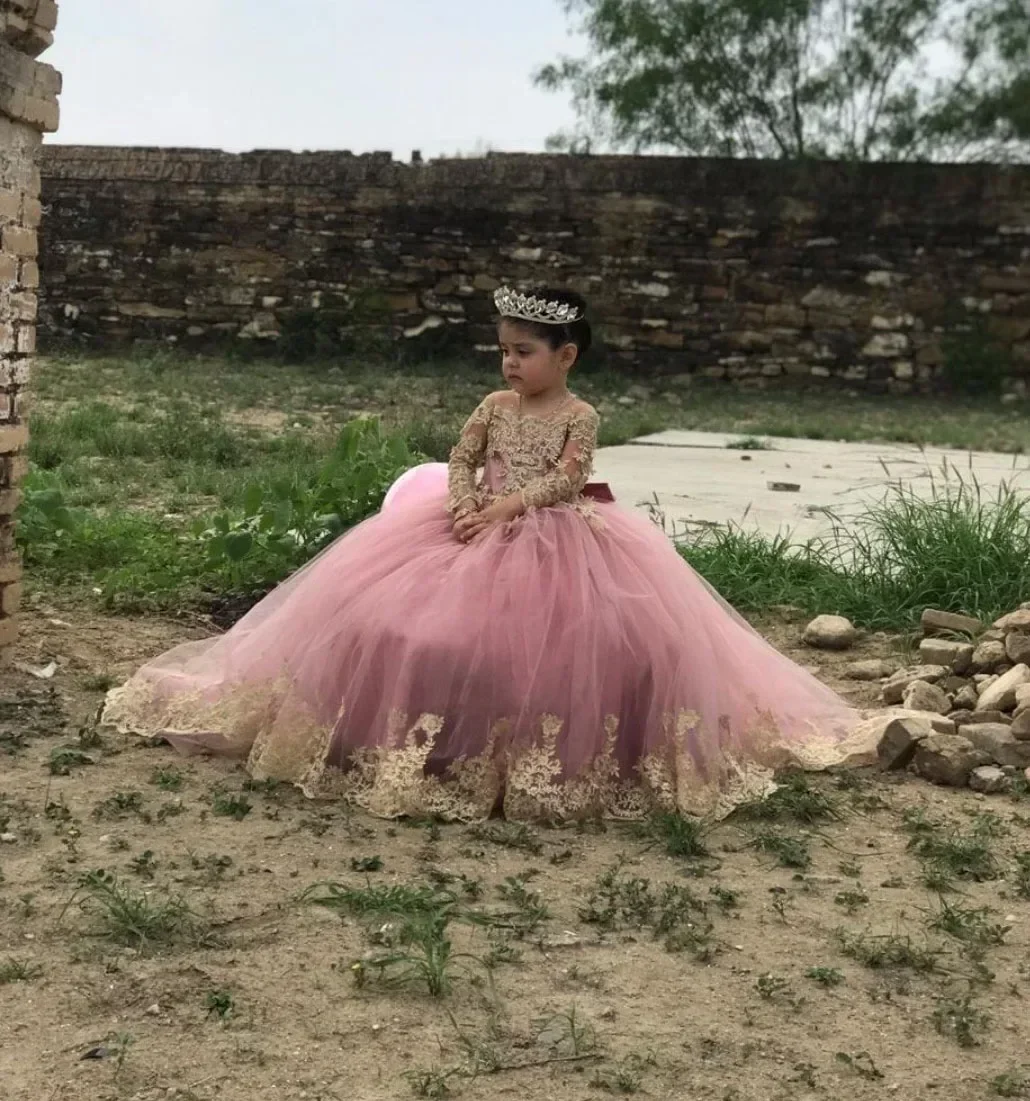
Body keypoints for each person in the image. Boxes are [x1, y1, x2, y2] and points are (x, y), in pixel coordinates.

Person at [103, 286, 870, 822]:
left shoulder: (581, 413)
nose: (508, 364)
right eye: (503, 350)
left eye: (524, 352)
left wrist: (509, 504)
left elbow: (571, 478)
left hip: (558, 532)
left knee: (594, 641)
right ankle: (414, 744)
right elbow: (462, 454)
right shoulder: (495, 406)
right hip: (471, 522)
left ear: (565, 355)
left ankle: (549, 761)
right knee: (396, 618)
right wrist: (466, 499)